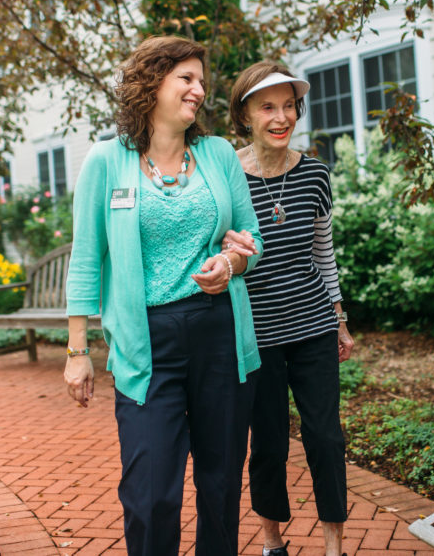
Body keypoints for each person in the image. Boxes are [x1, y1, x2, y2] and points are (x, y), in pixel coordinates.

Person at [63, 36, 264, 556]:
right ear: (152, 83)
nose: (198, 90)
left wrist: (231, 262)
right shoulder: (107, 161)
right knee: (151, 492)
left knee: (221, 485)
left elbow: (251, 238)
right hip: (147, 342)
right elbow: (85, 258)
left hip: (220, 333)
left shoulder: (218, 154)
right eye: (186, 78)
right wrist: (78, 351)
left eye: (202, 81)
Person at [224, 61, 355, 556]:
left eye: (289, 106)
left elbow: (324, 252)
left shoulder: (315, 174)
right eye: (267, 107)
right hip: (256, 335)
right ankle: (272, 542)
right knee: (269, 444)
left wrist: (340, 320)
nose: (281, 118)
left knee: (326, 438)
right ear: (245, 115)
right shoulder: (226, 176)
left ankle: (333, 546)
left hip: (313, 326)